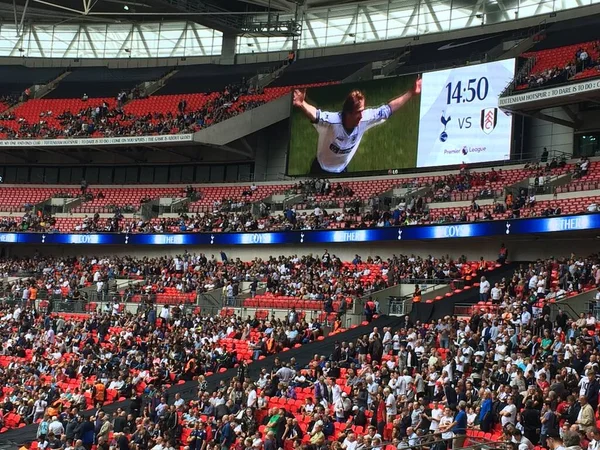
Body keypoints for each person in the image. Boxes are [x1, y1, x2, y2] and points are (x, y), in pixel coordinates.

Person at [293, 76, 422, 174]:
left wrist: (411, 92)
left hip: (342, 170)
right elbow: (315, 114)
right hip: (320, 169)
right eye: (358, 112)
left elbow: (388, 109)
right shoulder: (332, 122)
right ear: (348, 113)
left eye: (362, 111)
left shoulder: (365, 118)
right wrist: (302, 104)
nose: (362, 115)